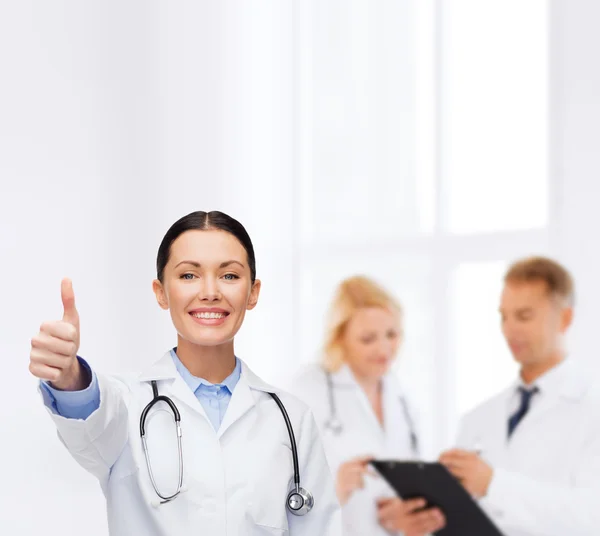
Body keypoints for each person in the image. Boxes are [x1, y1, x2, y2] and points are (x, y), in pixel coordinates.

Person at [29, 210, 341, 536]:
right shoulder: (127, 405)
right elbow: (91, 415)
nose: (209, 291)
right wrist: (68, 375)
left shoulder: (291, 419)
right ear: (161, 292)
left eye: (230, 276)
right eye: (189, 275)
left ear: (253, 292)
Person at [440, 256, 600, 536]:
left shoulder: (591, 408)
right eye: (504, 316)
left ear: (565, 318)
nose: (509, 329)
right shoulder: (478, 418)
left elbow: (592, 516)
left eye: (524, 316)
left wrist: (494, 485)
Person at [288, 276, 445, 536]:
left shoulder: (400, 396)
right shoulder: (311, 387)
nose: (384, 348)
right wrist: (335, 488)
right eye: (368, 338)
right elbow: (283, 491)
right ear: (341, 338)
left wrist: (400, 514)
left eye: (391, 334)